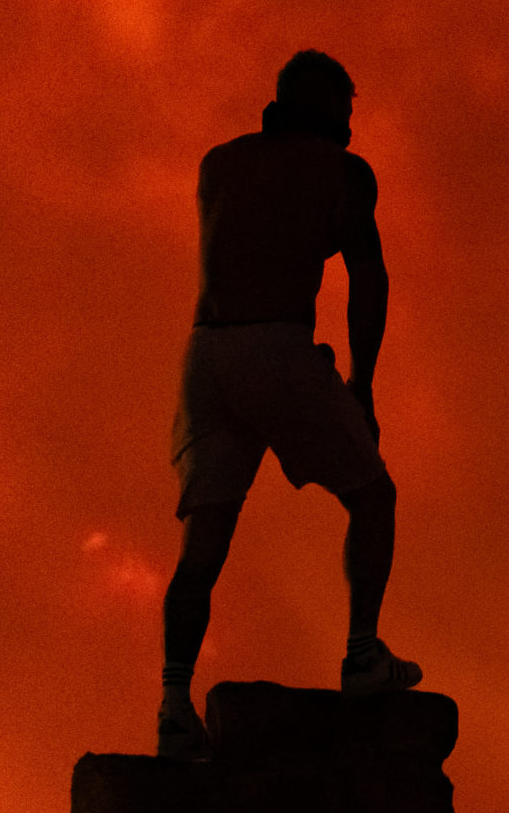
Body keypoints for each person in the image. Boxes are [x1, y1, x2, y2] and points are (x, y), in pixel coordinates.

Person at [156, 51, 420, 761]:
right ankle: (363, 653)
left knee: (203, 543)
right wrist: (361, 385)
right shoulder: (341, 172)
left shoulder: (219, 164)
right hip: (277, 343)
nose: (354, 121)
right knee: (374, 495)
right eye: (350, 106)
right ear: (333, 106)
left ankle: (174, 704)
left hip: (205, 356)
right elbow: (367, 277)